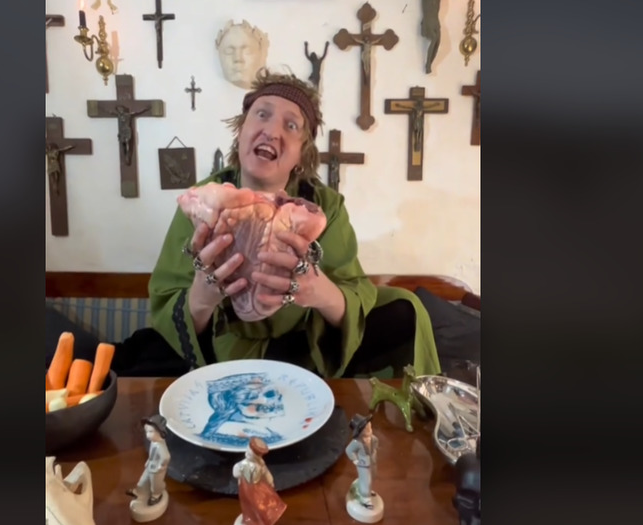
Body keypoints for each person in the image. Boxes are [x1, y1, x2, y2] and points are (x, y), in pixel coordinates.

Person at [148, 69, 441, 379]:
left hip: (307, 351)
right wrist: (202, 296)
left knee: (405, 310)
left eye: (291, 125)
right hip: (222, 354)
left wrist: (319, 291)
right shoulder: (203, 201)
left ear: (302, 154)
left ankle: (426, 406)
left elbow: (353, 290)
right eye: (262, 114)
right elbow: (168, 308)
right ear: (240, 132)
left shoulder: (324, 207)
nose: (272, 132)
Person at [126, 415, 170, 507]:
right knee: (143, 480)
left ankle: (156, 495)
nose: (147, 435)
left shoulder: (160, 446)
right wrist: (149, 461)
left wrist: (160, 466)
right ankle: (139, 491)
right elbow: (152, 455)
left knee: (155, 484)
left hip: (157, 470)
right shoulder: (153, 442)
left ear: (160, 432)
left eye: (150, 432)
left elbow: (166, 457)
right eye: (146, 432)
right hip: (150, 465)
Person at [345, 413, 379, 509]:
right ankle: (365, 498)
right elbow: (349, 450)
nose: (368, 428)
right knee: (366, 480)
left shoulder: (372, 438)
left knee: (373, 476)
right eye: (365, 428)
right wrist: (355, 460)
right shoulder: (357, 443)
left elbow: (376, 442)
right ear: (360, 431)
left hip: (372, 461)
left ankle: (365, 490)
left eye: (369, 426)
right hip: (363, 464)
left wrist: (374, 451)